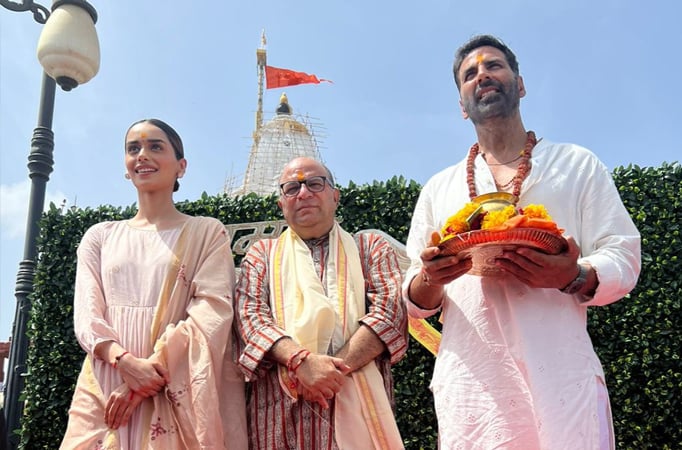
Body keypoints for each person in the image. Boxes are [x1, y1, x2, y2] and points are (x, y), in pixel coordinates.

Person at [403, 35, 641, 449]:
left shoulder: (576, 165)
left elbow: (623, 254)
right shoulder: (439, 189)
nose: (482, 75)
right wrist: (431, 277)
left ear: (520, 83)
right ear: (462, 105)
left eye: (493, 66)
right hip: (474, 388)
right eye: (469, 74)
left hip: (560, 375)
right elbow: (413, 298)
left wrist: (573, 275)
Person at [60, 119, 247, 449]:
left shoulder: (207, 232)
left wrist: (148, 375)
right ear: (126, 166)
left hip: (173, 384)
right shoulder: (100, 237)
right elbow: (87, 314)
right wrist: (125, 363)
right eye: (134, 149)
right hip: (105, 381)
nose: (142, 155)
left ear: (181, 166)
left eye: (155, 147)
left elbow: (212, 313)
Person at [235, 157, 408, 449]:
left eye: (315, 184)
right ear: (281, 204)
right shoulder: (261, 255)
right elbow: (250, 319)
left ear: (335, 196)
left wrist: (328, 373)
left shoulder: (369, 249)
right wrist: (300, 362)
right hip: (282, 414)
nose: (303, 194)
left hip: (357, 405)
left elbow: (388, 316)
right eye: (292, 188)